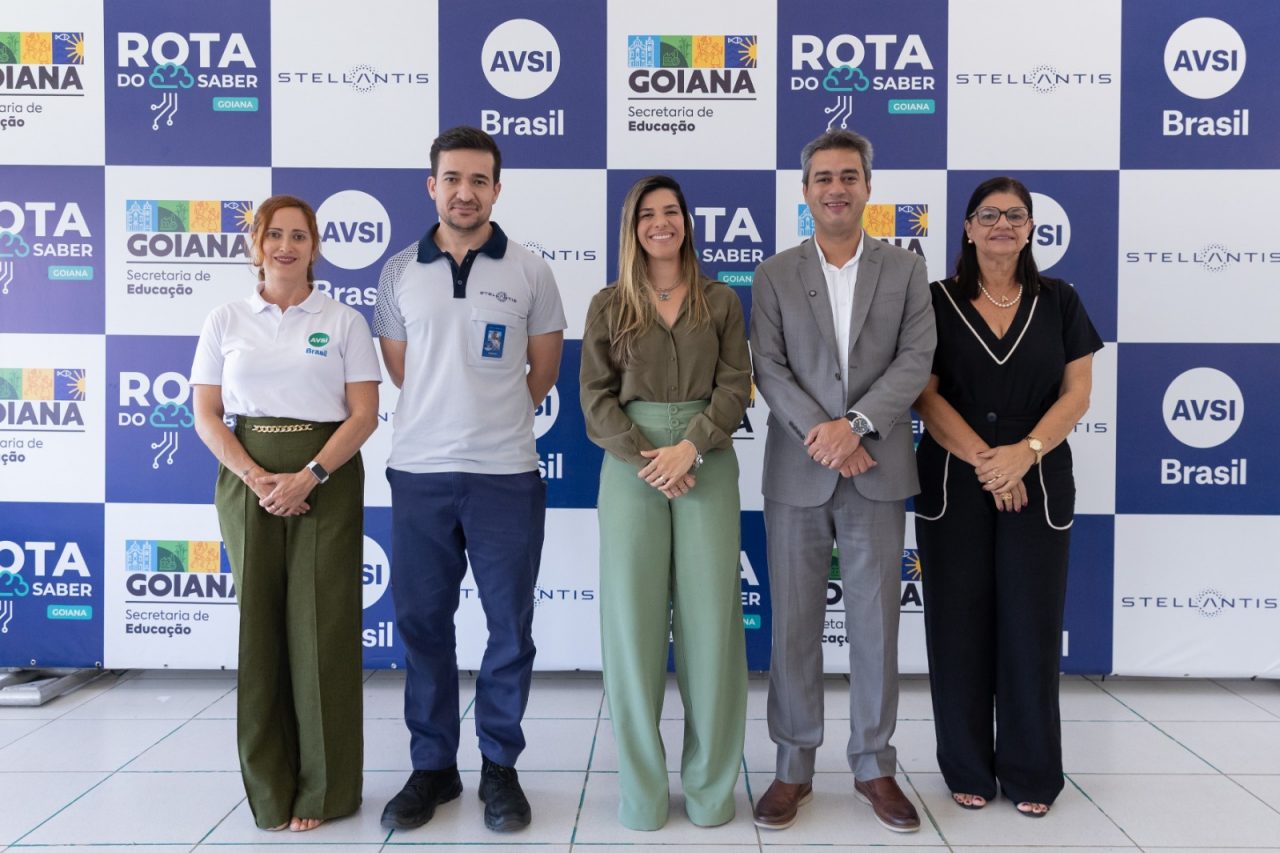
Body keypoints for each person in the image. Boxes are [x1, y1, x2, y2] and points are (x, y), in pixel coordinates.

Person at [373, 126, 566, 834]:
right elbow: (402, 371)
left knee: (509, 627)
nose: (465, 192)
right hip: (420, 473)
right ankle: (433, 766)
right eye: (452, 178)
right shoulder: (397, 271)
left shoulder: (531, 271)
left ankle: (499, 767)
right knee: (424, 625)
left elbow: (542, 372)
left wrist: (490, 415)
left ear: (496, 189)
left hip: (505, 475)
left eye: (478, 180)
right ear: (432, 186)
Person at [749, 129, 935, 833]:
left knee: (876, 627)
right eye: (823, 177)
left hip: (877, 468)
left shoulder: (906, 269)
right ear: (805, 191)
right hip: (798, 473)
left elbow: (916, 359)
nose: (836, 188)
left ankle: (874, 765)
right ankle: (792, 766)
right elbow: (769, 368)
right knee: (794, 625)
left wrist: (855, 426)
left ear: (867, 187)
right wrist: (827, 437)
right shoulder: (773, 274)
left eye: (848, 176)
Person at [190, 194, 381, 833]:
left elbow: (364, 415)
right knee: (261, 632)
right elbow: (207, 414)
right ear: (257, 244)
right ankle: (270, 791)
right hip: (247, 479)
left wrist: (309, 477)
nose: (287, 246)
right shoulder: (225, 319)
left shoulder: (343, 320)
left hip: (326, 477)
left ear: (315, 246)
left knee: (322, 631)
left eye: (300, 236)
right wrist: (255, 477)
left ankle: (326, 790)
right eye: (276, 234)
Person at [913, 177, 1101, 818]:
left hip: (1038, 474)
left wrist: (1026, 453)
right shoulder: (934, 299)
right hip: (954, 472)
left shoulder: (1060, 299)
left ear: (1030, 230)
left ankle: (1031, 771)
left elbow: (1077, 394)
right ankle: (965, 766)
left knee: (1030, 625)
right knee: (956, 624)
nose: (1002, 225)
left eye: (1015, 216)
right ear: (967, 228)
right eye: (988, 214)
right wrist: (989, 463)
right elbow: (924, 394)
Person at [580, 175, 752, 830]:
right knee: (632, 628)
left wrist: (692, 447)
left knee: (713, 629)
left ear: (686, 221)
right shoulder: (608, 304)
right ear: (633, 226)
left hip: (706, 461)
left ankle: (711, 793)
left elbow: (736, 385)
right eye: (648, 213)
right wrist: (648, 457)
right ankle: (643, 795)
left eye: (671, 211)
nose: (661, 222)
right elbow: (595, 398)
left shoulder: (721, 300)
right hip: (633, 466)